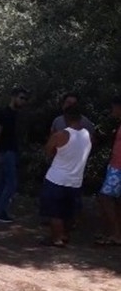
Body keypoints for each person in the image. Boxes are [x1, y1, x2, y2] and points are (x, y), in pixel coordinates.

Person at [39, 105, 92, 247]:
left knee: (54, 211)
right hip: (76, 180)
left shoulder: (60, 135)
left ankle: (56, 238)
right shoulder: (87, 135)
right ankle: (64, 234)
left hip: (56, 178)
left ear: (65, 118)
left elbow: (48, 150)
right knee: (68, 211)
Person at [0, 87, 29, 223]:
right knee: (11, 183)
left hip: (10, 151)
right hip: (6, 152)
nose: (23, 101)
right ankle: (0, 211)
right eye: (21, 98)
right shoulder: (4, 113)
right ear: (13, 97)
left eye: (25, 99)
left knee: (1, 182)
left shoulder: (16, 115)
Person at [97, 96, 121, 246]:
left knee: (105, 197)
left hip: (118, 167)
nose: (113, 110)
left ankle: (116, 233)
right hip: (115, 166)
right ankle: (115, 233)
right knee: (116, 201)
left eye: (114, 107)